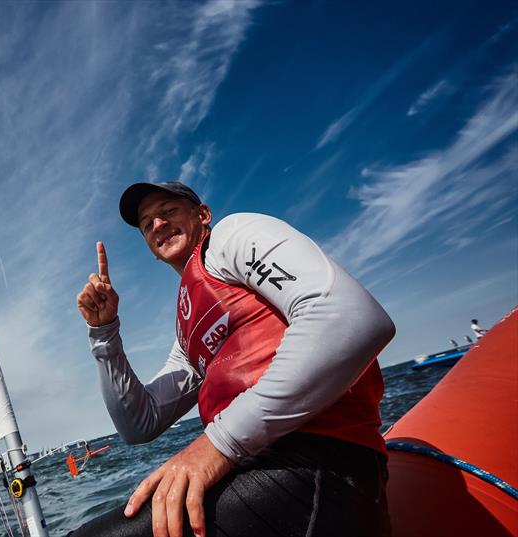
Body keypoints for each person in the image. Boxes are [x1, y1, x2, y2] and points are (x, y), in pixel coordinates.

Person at [72, 182, 395, 537]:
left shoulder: (232, 236)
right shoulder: (187, 329)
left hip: (324, 467)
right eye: (148, 224)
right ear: (151, 249)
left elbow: (352, 317)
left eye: (168, 211)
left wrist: (218, 445)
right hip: (257, 471)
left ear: (203, 214)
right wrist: (104, 334)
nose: (158, 225)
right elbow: (139, 423)